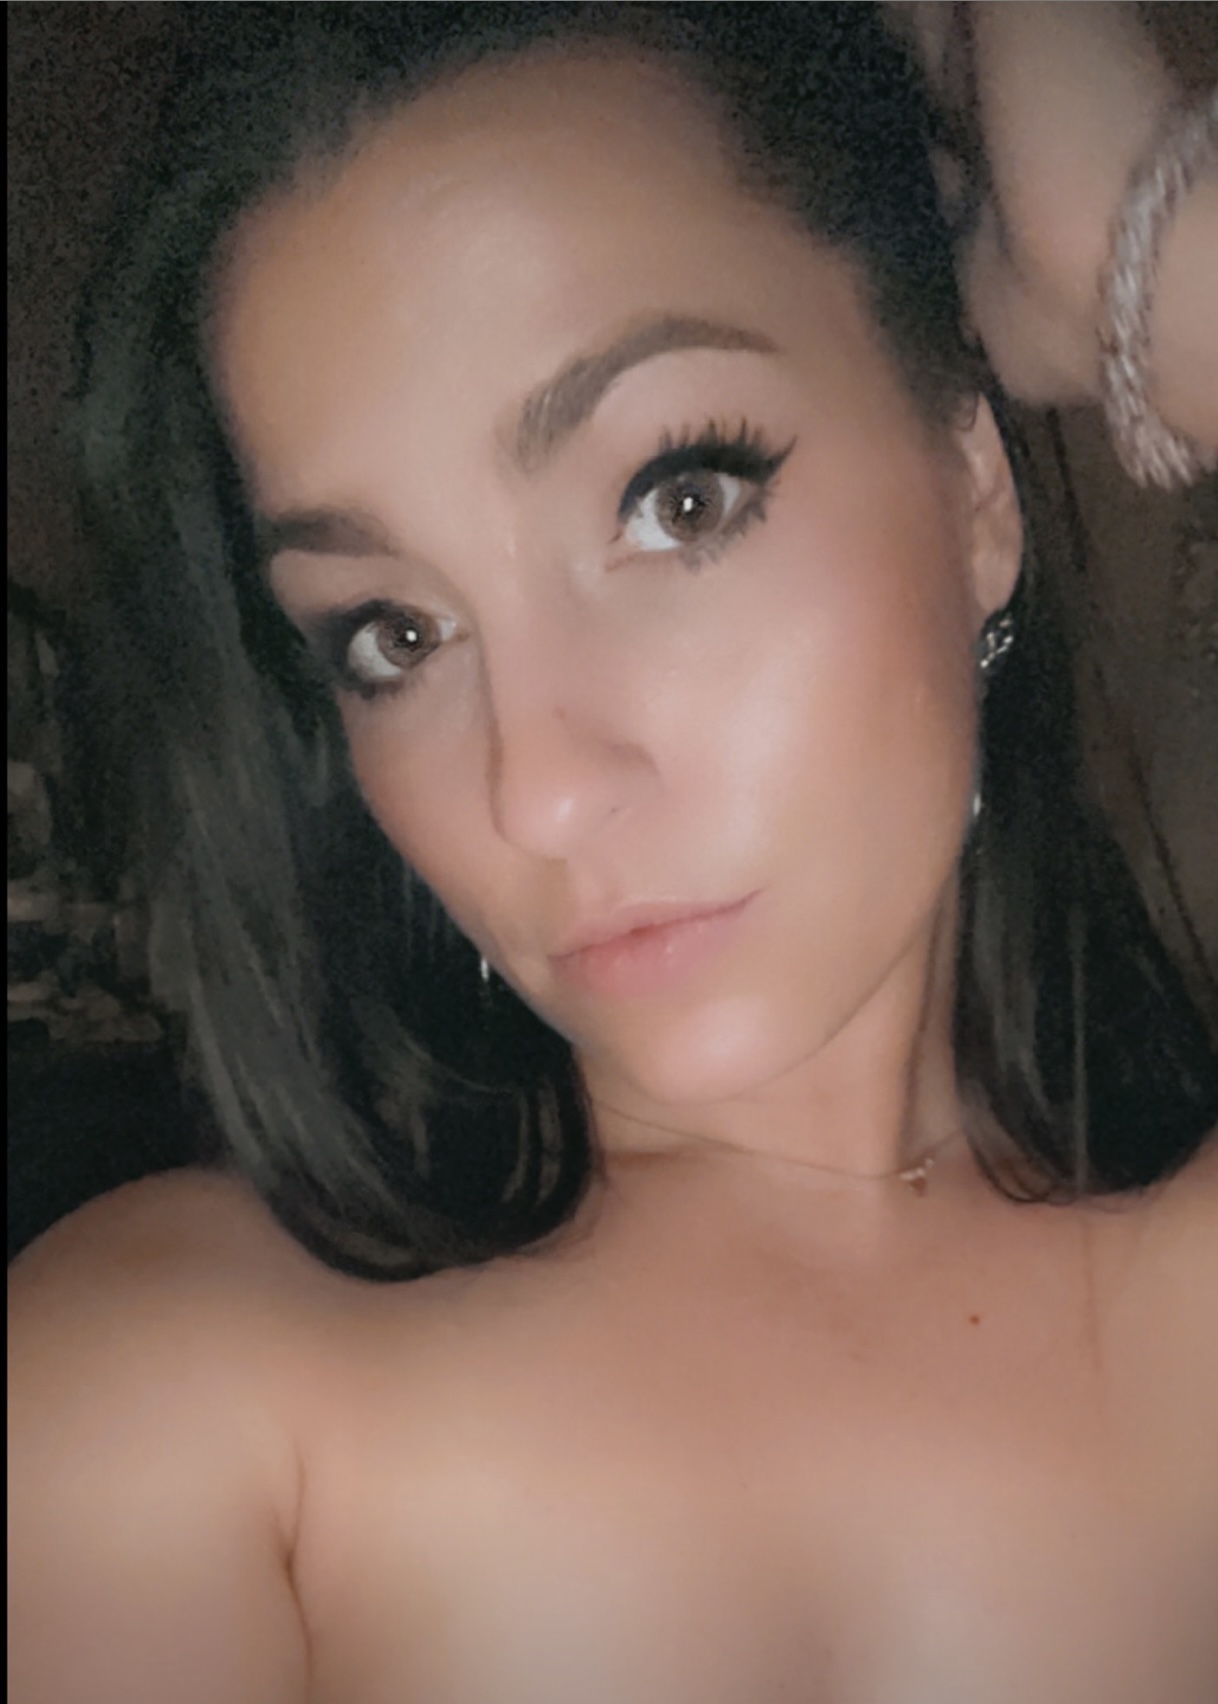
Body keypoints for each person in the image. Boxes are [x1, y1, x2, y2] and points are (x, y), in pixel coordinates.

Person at [9, 6, 1218, 1701]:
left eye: (677, 501)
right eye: (394, 634)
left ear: (974, 491)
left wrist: (1153, 257)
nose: (541, 789)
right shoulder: (162, 1397)